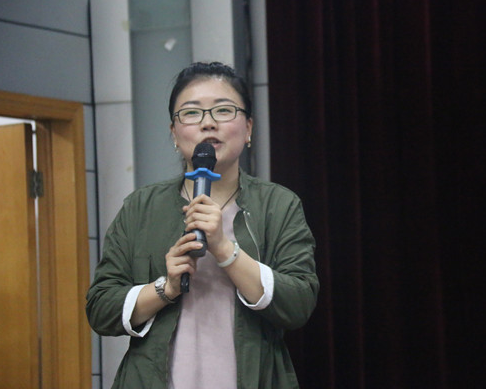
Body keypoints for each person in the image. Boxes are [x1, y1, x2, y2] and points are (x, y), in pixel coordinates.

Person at [86, 61, 319, 388]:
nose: (208, 123)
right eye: (192, 113)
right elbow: (100, 309)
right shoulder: (141, 207)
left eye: (223, 110)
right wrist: (165, 288)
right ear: (174, 132)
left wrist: (225, 250)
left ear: (248, 128)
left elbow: (298, 305)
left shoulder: (278, 205)